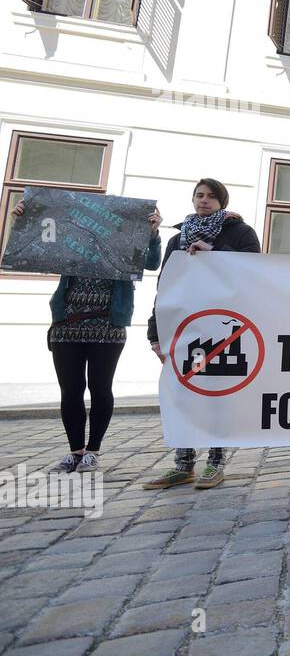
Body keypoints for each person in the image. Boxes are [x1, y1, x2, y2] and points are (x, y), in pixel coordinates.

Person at [11, 199, 162, 474]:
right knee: (70, 390)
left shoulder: (124, 242)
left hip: (108, 325)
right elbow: (38, 249)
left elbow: (151, 263)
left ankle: (93, 451)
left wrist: (152, 233)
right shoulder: (72, 241)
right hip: (67, 324)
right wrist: (24, 220)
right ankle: (75, 451)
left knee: (100, 387)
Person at [142, 178, 260, 490]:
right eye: (199, 195)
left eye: (210, 196)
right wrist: (155, 333)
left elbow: (256, 272)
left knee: (215, 396)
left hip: (222, 327)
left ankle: (215, 462)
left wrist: (215, 251)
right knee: (180, 396)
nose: (203, 201)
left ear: (222, 200)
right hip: (182, 328)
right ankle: (183, 465)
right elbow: (164, 288)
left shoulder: (240, 232)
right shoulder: (177, 238)